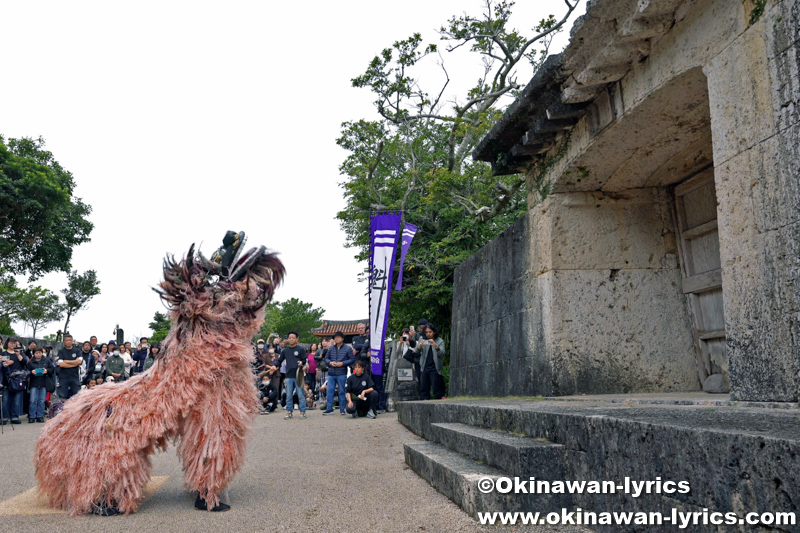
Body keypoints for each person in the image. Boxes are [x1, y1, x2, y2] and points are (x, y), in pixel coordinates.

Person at [271, 331, 307, 420]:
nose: (291, 339)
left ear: (297, 339)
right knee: (289, 395)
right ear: (288, 339)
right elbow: (279, 361)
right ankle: (289, 411)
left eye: (293, 338)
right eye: (289, 338)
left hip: (299, 375)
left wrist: (301, 362)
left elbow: (304, 360)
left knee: (300, 394)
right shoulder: (285, 351)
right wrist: (274, 366)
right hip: (288, 376)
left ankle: (302, 412)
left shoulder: (301, 349)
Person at [322, 331, 354, 415]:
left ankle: (342, 409)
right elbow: (326, 358)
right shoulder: (331, 348)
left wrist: (343, 363)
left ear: (343, 338)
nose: (337, 338)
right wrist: (330, 363)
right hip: (331, 373)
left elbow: (352, 359)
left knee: (342, 391)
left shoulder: (347, 348)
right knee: (329, 391)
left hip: (342, 372)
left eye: (339, 337)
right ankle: (329, 409)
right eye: (335, 337)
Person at [2, 338, 28, 424]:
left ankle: (15, 417)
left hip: (18, 379)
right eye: (11, 343)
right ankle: (4, 417)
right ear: (7, 343)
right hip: (6, 379)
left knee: (17, 399)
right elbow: (1, 367)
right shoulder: (3, 353)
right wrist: (5, 364)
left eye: (14, 343)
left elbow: (25, 363)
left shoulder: (20, 354)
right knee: (5, 399)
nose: (13, 344)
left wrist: (18, 355)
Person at [417, 323, 446, 400]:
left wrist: (436, 346)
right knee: (424, 389)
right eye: (426, 332)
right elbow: (416, 352)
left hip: (435, 368)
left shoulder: (440, 341)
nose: (428, 334)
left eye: (430, 332)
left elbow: (442, 353)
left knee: (437, 390)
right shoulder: (422, 340)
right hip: (424, 367)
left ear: (434, 332)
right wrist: (419, 347)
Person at [56, 334, 83, 400]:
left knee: (77, 396)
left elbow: (79, 362)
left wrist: (67, 361)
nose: (68, 342)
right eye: (66, 340)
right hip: (63, 377)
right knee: (62, 398)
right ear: (64, 342)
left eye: (70, 340)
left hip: (75, 377)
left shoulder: (77, 351)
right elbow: (61, 364)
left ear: (72, 341)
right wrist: (74, 362)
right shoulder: (61, 351)